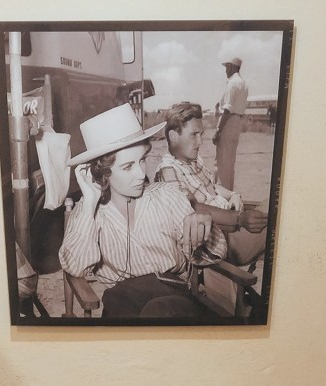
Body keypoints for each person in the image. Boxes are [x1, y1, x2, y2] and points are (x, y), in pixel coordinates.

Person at [59, 104, 227, 319]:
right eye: (128, 167)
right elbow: (75, 267)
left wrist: (204, 230)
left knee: (159, 311)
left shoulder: (167, 196)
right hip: (121, 305)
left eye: (142, 160)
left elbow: (218, 251)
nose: (141, 174)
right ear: (102, 172)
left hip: (172, 300)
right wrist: (90, 203)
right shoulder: (88, 211)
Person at [156, 101, 267, 267]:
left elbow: (212, 187)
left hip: (233, 225)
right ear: (173, 136)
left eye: (201, 134)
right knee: (281, 216)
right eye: (194, 135)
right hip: (222, 243)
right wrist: (239, 219)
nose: (200, 142)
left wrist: (233, 194)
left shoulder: (193, 160)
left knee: (276, 205)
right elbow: (191, 208)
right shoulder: (168, 171)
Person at [214, 56, 248, 191]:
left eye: (227, 67)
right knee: (230, 160)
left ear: (232, 67)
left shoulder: (232, 83)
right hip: (237, 122)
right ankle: (228, 191)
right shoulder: (243, 84)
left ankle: (222, 195)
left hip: (228, 122)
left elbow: (227, 110)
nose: (225, 70)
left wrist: (218, 130)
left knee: (222, 161)